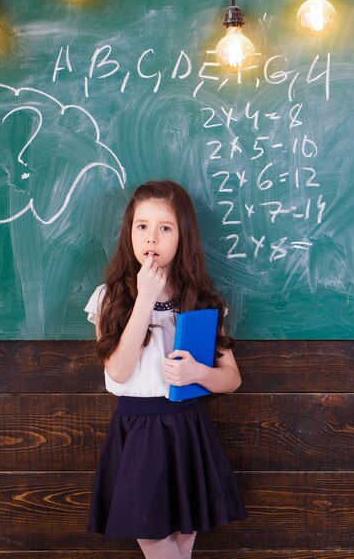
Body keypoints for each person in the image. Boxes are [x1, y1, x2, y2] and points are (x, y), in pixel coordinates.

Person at [84, 180, 247, 559]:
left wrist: (198, 374)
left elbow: (232, 378)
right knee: (158, 545)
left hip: (188, 428)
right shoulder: (109, 298)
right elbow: (118, 372)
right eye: (142, 226)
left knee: (183, 543)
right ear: (129, 233)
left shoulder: (202, 300)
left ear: (183, 235)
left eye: (165, 228)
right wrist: (145, 298)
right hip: (138, 431)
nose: (152, 238)